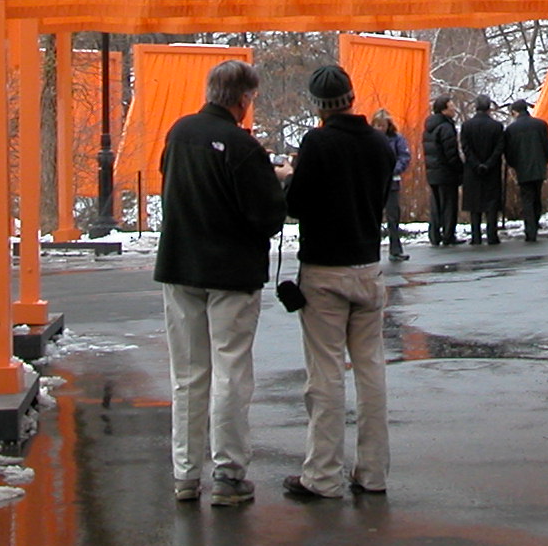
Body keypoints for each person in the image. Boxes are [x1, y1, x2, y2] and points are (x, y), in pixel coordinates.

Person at [153, 58, 285, 507]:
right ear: (244, 100)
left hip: (179, 265)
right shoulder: (243, 147)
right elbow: (268, 217)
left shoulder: (179, 133)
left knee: (187, 375)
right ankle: (228, 474)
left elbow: (168, 181)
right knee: (230, 371)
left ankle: (185, 474)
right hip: (231, 272)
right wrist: (277, 182)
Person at [281, 65, 394, 501]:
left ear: (318, 106)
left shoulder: (317, 143)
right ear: (351, 97)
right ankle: (373, 472)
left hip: (324, 271)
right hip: (368, 267)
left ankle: (322, 475)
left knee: (325, 374)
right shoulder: (380, 145)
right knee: (371, 371)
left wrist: (289, 179)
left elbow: (296, 206)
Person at [502, 97, 548, 241]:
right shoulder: (541, 125)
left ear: (514, 112)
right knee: (537, 196)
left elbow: (509, 152)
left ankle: (530, 229)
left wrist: (515, 164)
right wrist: (544, 161)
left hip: (522, 169)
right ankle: (535, 223)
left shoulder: (511, 129)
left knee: (527, 199)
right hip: (539, 166)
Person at [457, 95, 507, 245]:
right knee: (491, 204)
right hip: (492, 171)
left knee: (475, 204)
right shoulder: (497, 126)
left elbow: (465, 148)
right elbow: (499, 148)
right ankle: (492, 235)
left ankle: (476, 235)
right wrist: (489, 164)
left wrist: (475, 164)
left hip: (472, 171)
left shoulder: (466, 126)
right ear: (489, 108)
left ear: (475, 107)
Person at [420, 95, 463, 246]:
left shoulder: (429, 127)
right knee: (449, 205)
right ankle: (448, 235)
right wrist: (459, 169)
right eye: (451, 106)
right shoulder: (446, 127)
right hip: (446, 172)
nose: (454, 109)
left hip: (433, 172)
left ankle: (434, 234)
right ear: (444, 109)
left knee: (436, 204)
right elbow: (450, 152)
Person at [372, 107, 411, 260]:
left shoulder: (396, 139)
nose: (379, 128)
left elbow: (404, 156)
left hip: (392, 182)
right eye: (377, 125)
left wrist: (394, 170)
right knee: (372, 217)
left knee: (393, 216)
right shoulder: (368, 139)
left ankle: (395, 250)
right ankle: (371, 250)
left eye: (382, 125)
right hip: (373, 183)